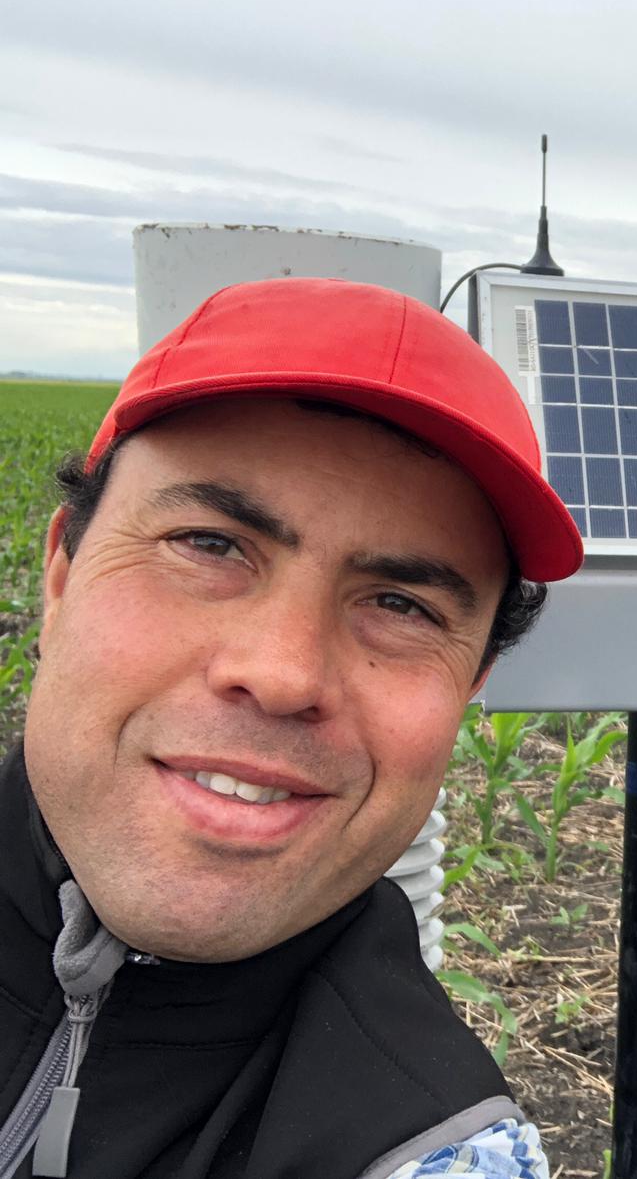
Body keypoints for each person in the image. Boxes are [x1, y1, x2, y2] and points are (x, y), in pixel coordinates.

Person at [1, 278, 585, 1178]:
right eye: (209, 544)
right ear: (62, 574)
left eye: (400, 604)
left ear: (471, 684)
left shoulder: (431, 1149)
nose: (282, 675)